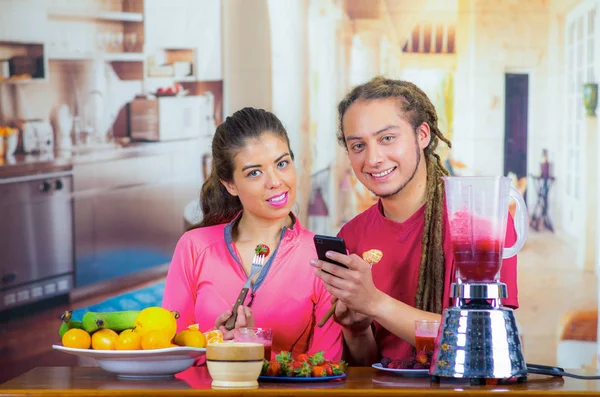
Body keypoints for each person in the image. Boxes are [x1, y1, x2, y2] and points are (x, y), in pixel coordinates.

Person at [310, 77, 519, 365]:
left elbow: (482, 344)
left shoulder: (481, 220)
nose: (373, 159)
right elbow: (368, 369)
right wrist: (357, 331)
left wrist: (376, 303)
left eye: (387, 138)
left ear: (422, 135)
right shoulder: (352, 235)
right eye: (358, 145)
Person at [163, 107, 343, 361]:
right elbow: (167, 349)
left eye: (282, 163)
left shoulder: (323, 258)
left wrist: (255, 349)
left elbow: (327, 366)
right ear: (230, 184)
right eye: (254, 172)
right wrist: (210, 345)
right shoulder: (194, 247)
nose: (275, 181)